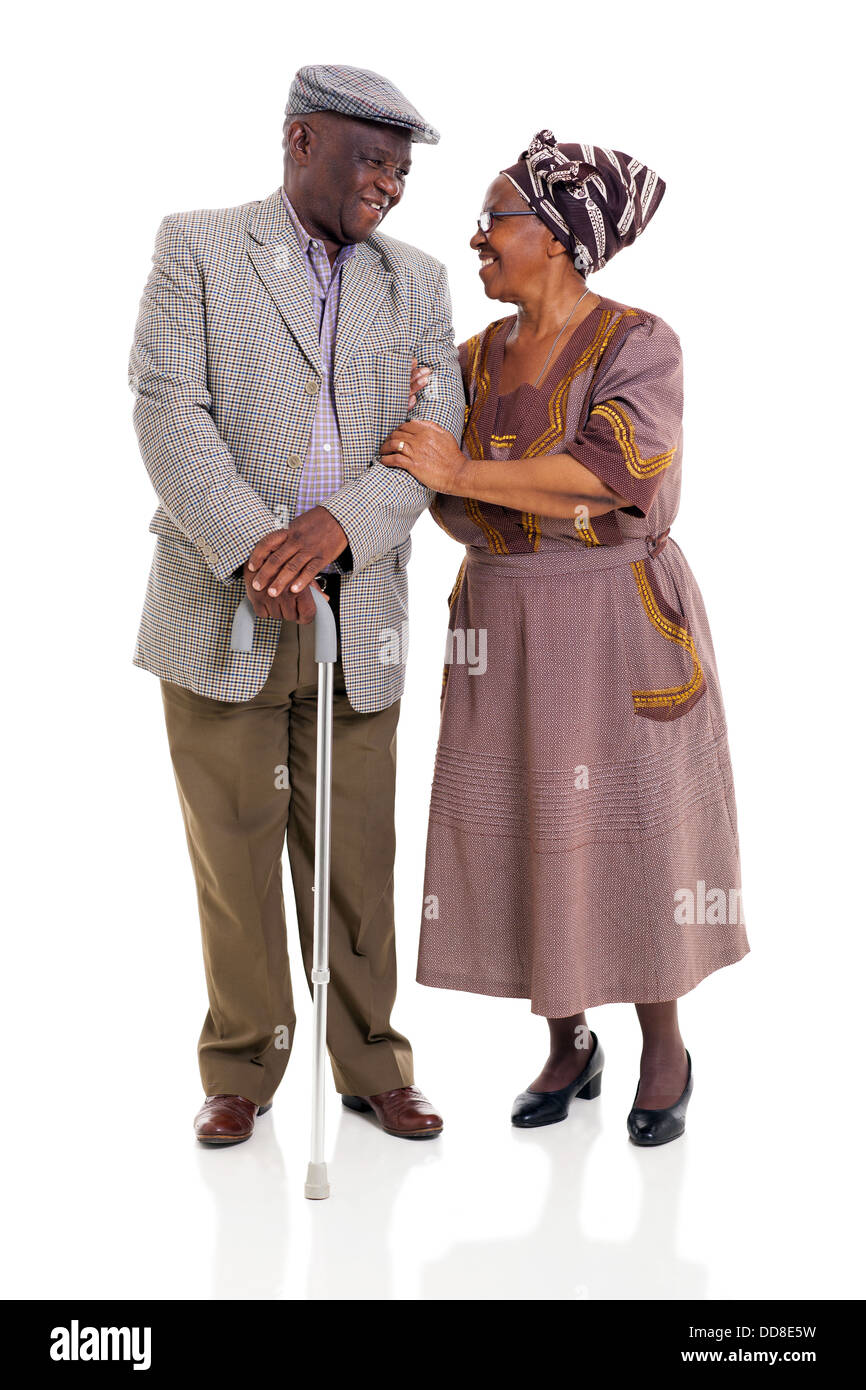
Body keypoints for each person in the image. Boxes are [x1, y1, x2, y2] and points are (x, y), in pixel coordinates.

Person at [380, 131, 749, 1146]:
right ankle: (565, 1036)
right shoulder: (473, 359)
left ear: (554, 236)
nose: (475, 237)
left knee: (634, 840)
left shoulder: (639, 342)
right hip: (501, 624)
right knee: (528, 827)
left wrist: (462, 476)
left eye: (493, 217)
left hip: (613, 623)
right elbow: (417, 456)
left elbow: (607, 476)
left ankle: (663, 1044)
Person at [129, 64, 464, 1146]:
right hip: (222, 604)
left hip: (356, 612)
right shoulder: (199, 245)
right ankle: (243, 1069)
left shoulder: (414, 282)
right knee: (232, 853)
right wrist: (254, 550)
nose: (389, 189)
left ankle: (371, 1064)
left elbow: (432, 447)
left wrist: (338, 530)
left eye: (402, 173)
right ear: (300, 140)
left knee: (358, 858)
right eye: (372, 162)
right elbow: (167, 409)